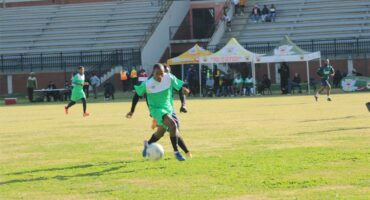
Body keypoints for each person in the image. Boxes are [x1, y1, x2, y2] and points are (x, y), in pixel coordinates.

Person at [126, 63, 191, 161]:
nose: (160, 76)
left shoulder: (169, 78)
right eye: (157, 74)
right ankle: (176, 152)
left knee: (161, 133)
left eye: (161, 73)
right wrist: (132, 111)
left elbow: (180, 88)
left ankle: (147, 145)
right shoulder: (147, 84)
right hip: (156, 110)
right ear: (153, 73)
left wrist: (184, 97)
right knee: (173, 125)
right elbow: (136, 95)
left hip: (168, 109)